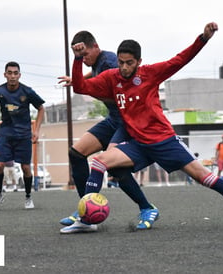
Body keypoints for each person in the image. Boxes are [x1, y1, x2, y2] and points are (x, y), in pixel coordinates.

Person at [67, 22, 223, 232]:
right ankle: (88, 219)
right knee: (100, 162)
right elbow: (80, 87)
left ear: (139, 61)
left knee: (205, 178)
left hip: (164, 141)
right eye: (121, 62)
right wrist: (77, 60)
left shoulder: (150, 73)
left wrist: (203, 39)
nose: (124, 67)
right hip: (139, 144)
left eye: (129, 63)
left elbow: (181, 59)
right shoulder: (111, 77)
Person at [57, 31, 157, 233]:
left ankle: (147, 208)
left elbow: (121, 80)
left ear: (95, 46)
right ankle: (86, 208)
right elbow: (96, 76)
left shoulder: (111, 61)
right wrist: (78, 80)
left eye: (86, 55)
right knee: (76, 153)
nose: (84, 60)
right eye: (80, 56)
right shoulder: (96, 64)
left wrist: (85, 87)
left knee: (113, 167)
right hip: (113, 120)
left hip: (126, 123)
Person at [0, 61, 44, 209]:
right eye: (10, 73)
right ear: (5, 75)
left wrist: (36, 130)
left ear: (19, 75)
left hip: (23, 135)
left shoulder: (27, 91)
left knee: (26, 168)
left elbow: (41, 108)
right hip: (5, 134)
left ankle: (28, 197)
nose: (13, 76)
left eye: (16, 73)